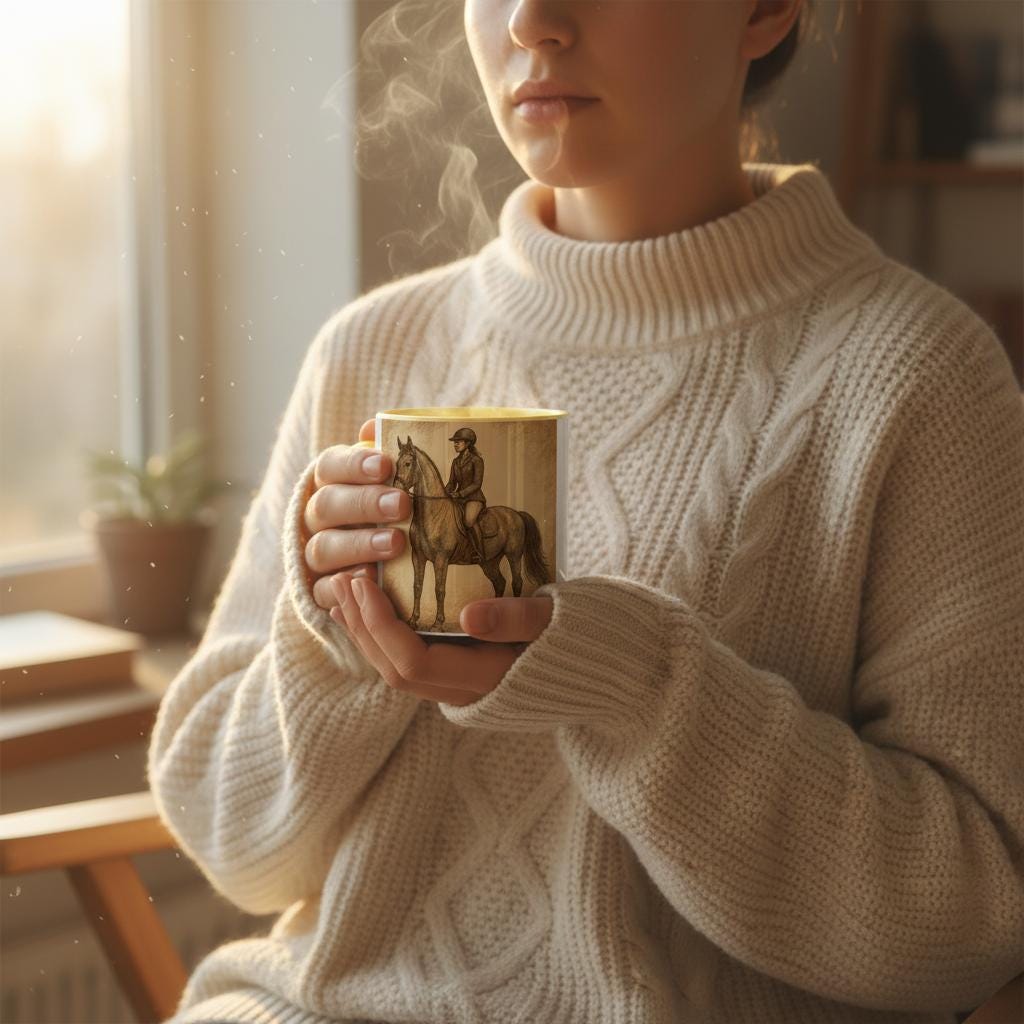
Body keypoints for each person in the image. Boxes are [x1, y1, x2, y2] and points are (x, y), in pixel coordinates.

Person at [148, 2, 1024, 1023]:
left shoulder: (918, 377)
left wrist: (629, 682)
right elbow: (233, 845)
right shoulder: (374, 347)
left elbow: (971, 919)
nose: (531, 19)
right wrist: (334, 632)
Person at [445, 427, 488, 563]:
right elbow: (451, 482)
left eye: (459, 441)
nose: (455, 444)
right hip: (458, 498)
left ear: (468, 443)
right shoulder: (455, 462)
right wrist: (444, 492)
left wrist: (460, 493)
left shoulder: (477, 460)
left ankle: (478, 552)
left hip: (474, 498)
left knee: (469, 521)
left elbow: (477, 484)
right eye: (454, 442)